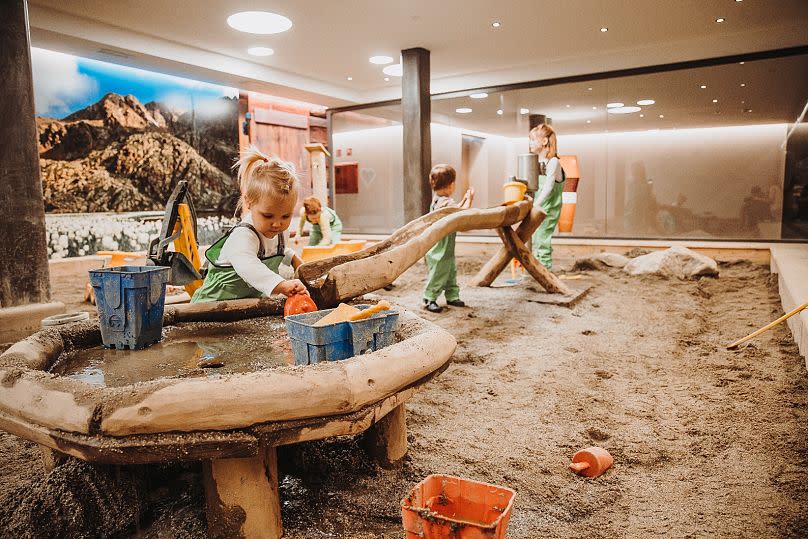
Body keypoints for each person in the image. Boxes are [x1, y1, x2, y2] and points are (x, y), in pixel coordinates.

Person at [191, 146, 308, 302]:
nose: (277, 224)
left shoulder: (278, 231)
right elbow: (248, 266)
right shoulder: (243, 235)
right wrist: (281, 285)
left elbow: (273, 248)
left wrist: (293, 258)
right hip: (211, 305)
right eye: (268, 215)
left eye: (286, 216)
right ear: (249, 202)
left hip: (245, 304)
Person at [423, 164, 474, 313]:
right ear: (451, 185)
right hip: (441, 247)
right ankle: (429, 297)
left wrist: (463, 200)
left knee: (451, 271)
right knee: (439, 273)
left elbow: (454, 210)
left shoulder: (438, 200)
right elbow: (461, 214)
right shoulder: (446, 202)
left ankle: (452, 296)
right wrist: (469, 200)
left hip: (443, 245)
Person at [529, 124, 565, 271]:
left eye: (532, 140)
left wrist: (534, 204)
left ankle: (546, 273)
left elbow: (548, 188)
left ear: (544, 141)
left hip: (548, 209)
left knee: (542, 240)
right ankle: (537, 271)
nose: (530, 143)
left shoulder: (553, 162)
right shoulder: (539, 162)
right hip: (538, 207)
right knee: (536, 239)